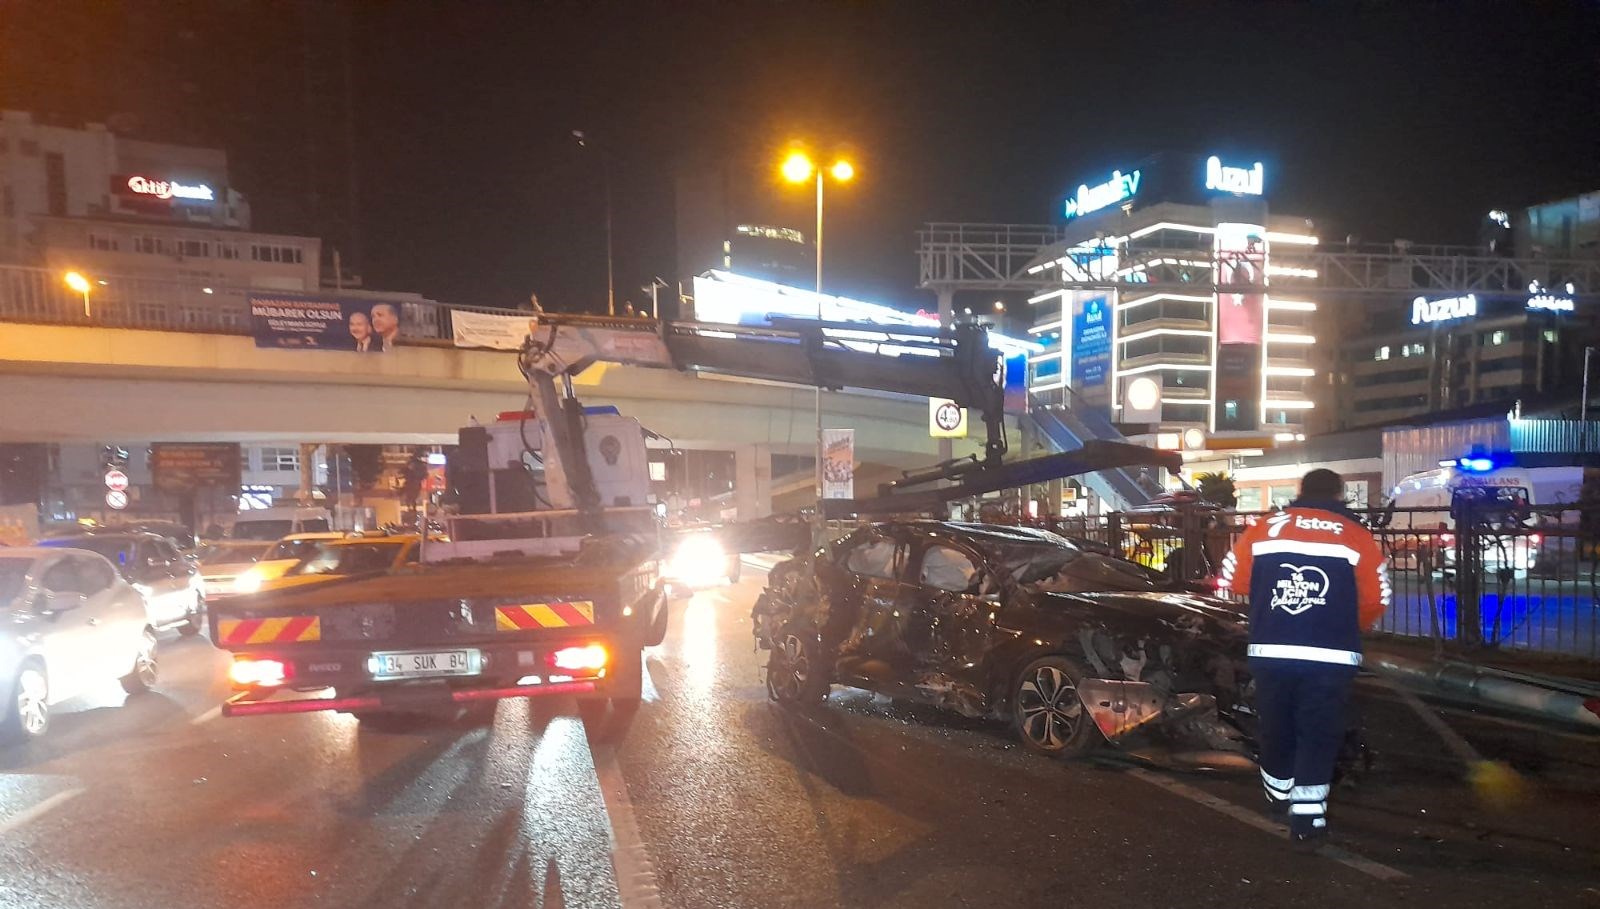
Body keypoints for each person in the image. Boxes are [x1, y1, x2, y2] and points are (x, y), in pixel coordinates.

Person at [1217, 469, 1388, 849]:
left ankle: (1278, 797)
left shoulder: (1267, 527)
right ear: (1341, 494)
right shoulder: (1355, 534)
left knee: (1276, 725)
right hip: (1330, 655)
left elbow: (1233, 578)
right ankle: (1307, 823)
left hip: (1271, 650)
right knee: (1318, 732)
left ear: (1300, 491)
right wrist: (1348, 624)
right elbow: (1377, 597)